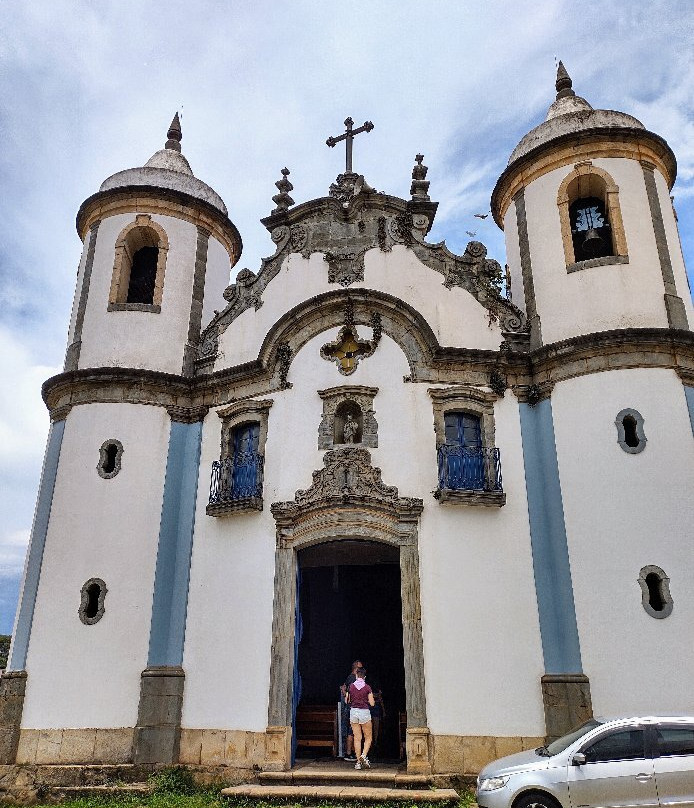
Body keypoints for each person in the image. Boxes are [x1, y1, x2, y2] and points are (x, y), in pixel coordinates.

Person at [348, 666, 375, 769]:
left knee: (357, 738)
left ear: (356, 675)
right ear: (364, 676)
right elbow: (372, 703)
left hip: (353, 712)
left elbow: (348, 700)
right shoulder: (367, 687)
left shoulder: (351, 686)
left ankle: (358, 762)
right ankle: (364, 755)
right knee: (368, 737)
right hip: (364, 712)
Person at [340, 659, 362, 761]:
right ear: (356, 668)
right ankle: (348, 753)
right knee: (352, 730)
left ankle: (350, 752)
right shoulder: (353, 678)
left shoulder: (350, 678)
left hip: (351, 707)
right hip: (352, 707)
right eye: (360, 668)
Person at [369, 680, 386, 752]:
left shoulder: (376, 691)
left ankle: (374, 742)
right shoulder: (370, 690)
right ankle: (372, 741)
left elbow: (381, 701)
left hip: (375, 710)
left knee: (375, 727)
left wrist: (384, 711)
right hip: (371, 709)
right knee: (372, 727)